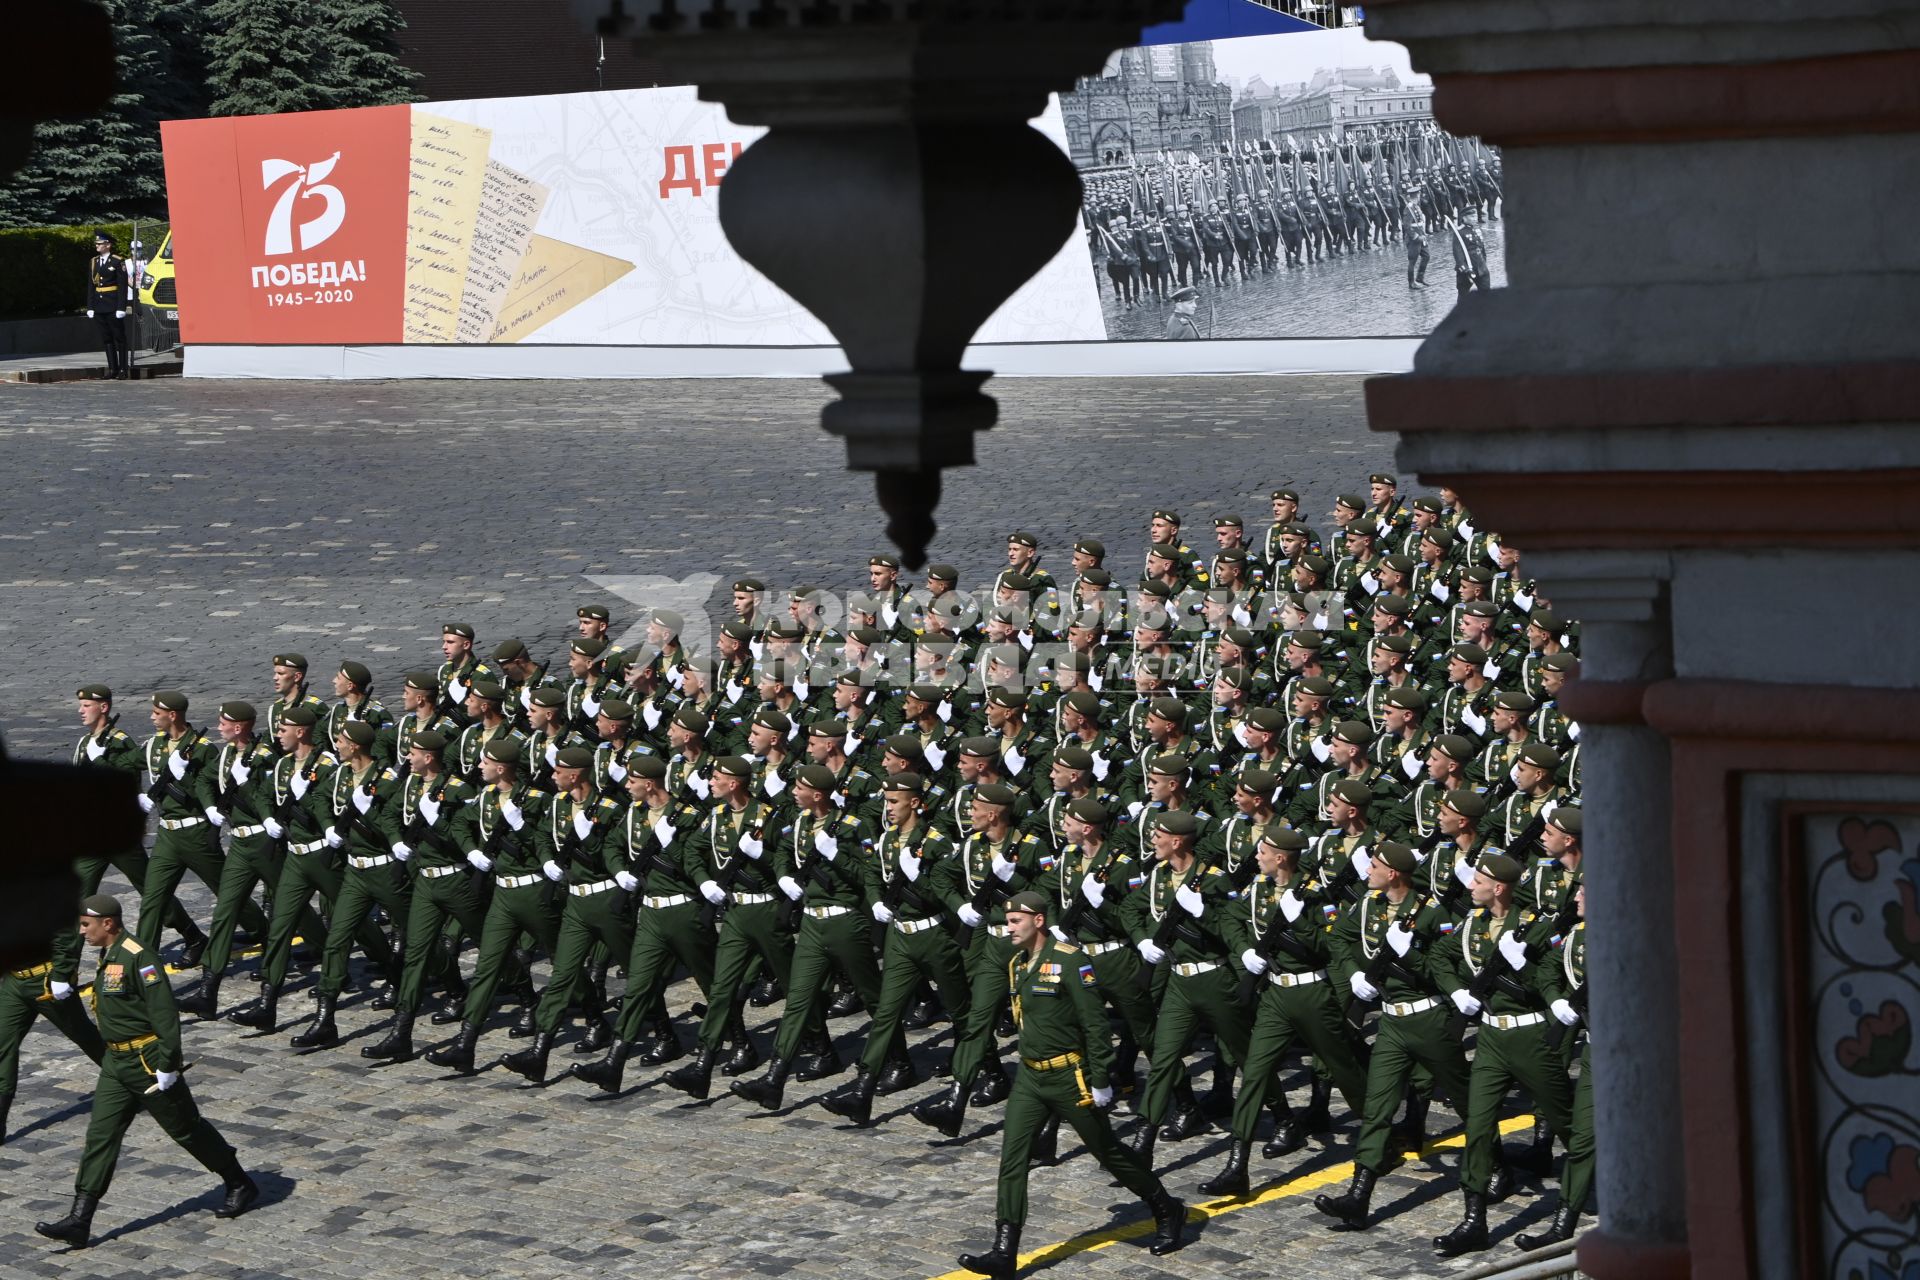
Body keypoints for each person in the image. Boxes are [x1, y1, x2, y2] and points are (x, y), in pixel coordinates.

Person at [953, 890, 1186, 1276]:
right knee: (1012, 1159)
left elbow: (1096, 1024)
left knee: (1107, 1152)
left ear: (1039, 921)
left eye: (1015, 921)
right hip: (1029, 1076)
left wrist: (1100, 1078)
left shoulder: (1071, 961)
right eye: (1007, 921)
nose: (1008, 927)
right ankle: (1004, 1251)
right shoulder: (1018, 964)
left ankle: (1166, 1207)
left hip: (1069, 1076)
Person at [34, 895, 258, 1249]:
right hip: (115, 1063)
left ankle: (238, 1180)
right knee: (100, 1137)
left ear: (108, 923)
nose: (82, 932)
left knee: (185, 1129)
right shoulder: (109, 954)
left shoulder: (140, 958)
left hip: (145, 1061)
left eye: (85, 926)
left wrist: (167, 1064)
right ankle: (80, 1219)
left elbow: (164, 1014)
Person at [85, 231, 131, 379]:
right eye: (96, 244)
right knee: (106, 338)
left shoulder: (117, 261)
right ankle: (113, 369)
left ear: (108, 245)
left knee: (119, 338)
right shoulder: (94, 262)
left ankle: (123, 369)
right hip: (99, 305)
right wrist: (90, 306)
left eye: (99, 244)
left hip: (112, 305)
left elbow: (122, 286)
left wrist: (121, 307)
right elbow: (91, 286)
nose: (97, 246)